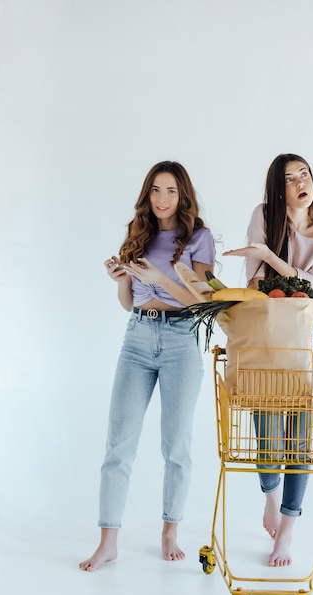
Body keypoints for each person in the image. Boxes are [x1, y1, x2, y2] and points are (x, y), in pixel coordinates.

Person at [80, 161, 215, 571]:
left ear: (183, 195)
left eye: (170, 191)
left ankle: (170, 531)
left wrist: (160, 276)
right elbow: (130, 302)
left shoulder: (199, 237)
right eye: (155, 190)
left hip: (179, 340)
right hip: (137, 337)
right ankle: (108, 541)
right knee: (118, 443)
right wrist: (121, 279)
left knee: (176, 446)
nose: (161, 199)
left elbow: (205, 301)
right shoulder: (138, 233)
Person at [223, 153, 313, 567]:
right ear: (278, 189)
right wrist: (271, 270)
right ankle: (271, 496)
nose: (300, 183)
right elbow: (254, 283)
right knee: (267, 421)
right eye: (289, 179)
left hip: (312, 339)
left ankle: (287, 532)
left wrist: (270, 259)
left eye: (304, 174)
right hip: (272, 332)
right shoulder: (264, 216)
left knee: (302, 438)